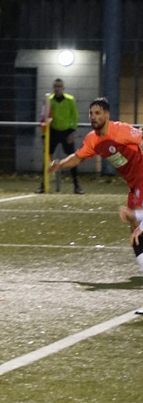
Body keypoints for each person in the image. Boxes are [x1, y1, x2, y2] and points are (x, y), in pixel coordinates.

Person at [50, 97, 143, 270]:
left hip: (142, 178)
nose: (93, 117)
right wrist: (60, 164)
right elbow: (77, 158)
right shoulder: (92, 139)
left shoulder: (121, 130)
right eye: (91, 113)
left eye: (98, 113)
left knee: (138, 219)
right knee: (134, 225)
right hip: (133, 184)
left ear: (107, 114)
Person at [38, 78, 83, 194]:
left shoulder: (70, 100)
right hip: (53, 132)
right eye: (55, 86)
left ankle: (77, 186)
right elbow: (44, 118)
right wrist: (44, 136)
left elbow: (75, 116)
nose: (57, 89)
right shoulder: (49, 100)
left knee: (72, 158)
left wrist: (71, 131)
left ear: (63, 88)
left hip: (66, 132)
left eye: (59, 86)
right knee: (47, 158)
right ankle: (43, 185)